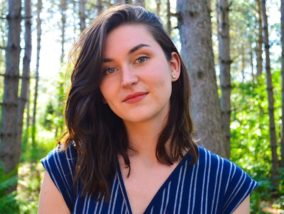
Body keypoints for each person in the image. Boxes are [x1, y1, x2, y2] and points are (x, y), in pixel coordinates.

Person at [38, 4, 257, 214]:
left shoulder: (228, 185)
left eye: (141, 58)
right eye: (109, 69)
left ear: (173, 66)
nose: (127, 79)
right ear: (100, 89)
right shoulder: (67, 168)